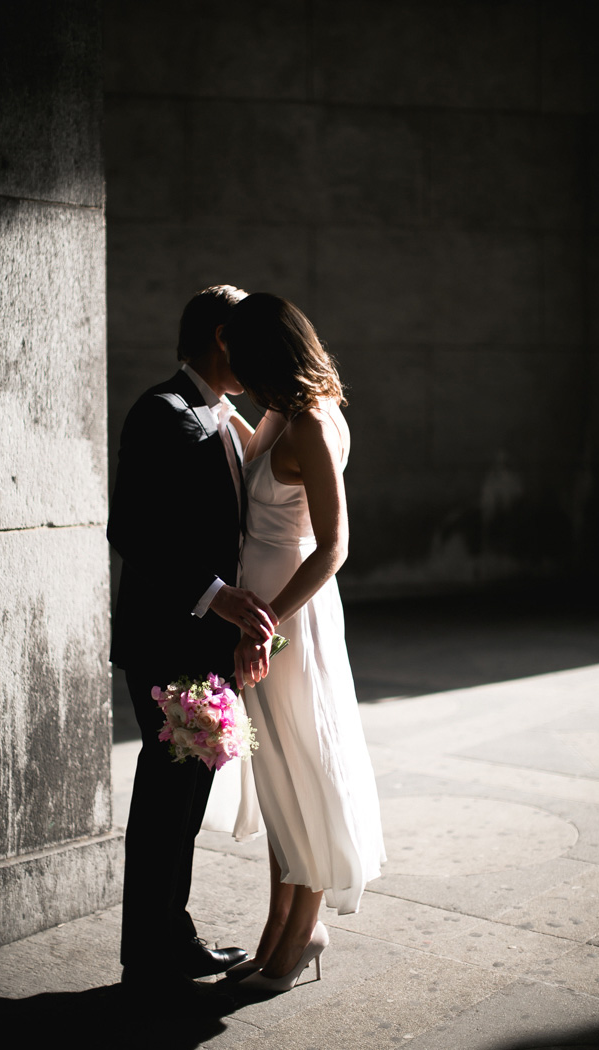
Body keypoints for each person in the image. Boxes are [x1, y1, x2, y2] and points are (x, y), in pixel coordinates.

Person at [107, 284, 278, 1009]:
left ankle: (169, 938)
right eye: (251, 341)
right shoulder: (161, 411)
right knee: (165, 801)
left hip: (203, 644)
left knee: (184, 798)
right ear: (220, 336)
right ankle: (151, 953)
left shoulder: (223, 416)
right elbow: (134, 533)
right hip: (169, 640)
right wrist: (218, 596)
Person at [221, 293, 386, 993]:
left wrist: (267, 622)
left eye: (242, 362)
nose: (237, 374)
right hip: (262, 609)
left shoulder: (314, 422)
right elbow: (253, 462)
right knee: (276, 771)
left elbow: (334, 548)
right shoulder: (280, 411)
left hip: (292, 614)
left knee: (307, 765)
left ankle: (306, 929)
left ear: (269, 358)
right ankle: (278, 921)